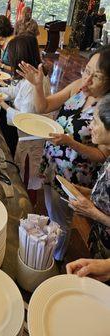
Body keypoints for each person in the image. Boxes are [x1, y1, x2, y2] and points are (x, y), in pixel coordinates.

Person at [18, 45, 110, 261]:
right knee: (51, 209)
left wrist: (71, 143)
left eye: (96, 77)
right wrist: (39, 86)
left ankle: (55, 258)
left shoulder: (106, 109)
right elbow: (44, 107)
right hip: (52, 162)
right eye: (86, 71)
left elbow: (103, 155)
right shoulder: (79, 87)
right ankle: (50, 249)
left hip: (74, 174)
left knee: (61, 220)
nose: (86, 80)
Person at [0, 35, 50, 201]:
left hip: (30, 138)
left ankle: (26, 208)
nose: (10, 59)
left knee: (26, 177)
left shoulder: (35, 82)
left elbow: (25, 119)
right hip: (24, 135)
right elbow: (16, 91)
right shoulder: (31, 74)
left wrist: (3, 104)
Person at [68, 94, 110, 258]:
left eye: (96, 122)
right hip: (99, 241)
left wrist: (92, 212)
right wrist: (86, 193)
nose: (90, 126)